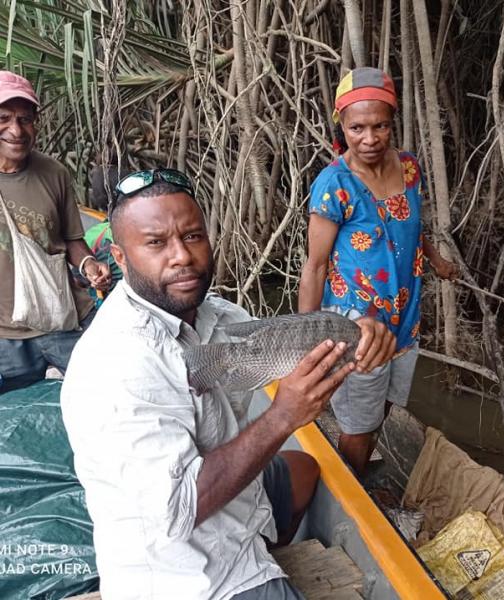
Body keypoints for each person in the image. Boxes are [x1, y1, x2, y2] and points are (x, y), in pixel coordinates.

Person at [61, 168, 395, 600]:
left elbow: (293, 338)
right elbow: (177, 513)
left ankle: (267, 545)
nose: (181, 256)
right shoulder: (116, 364)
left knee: (304, 469)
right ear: (121, 259)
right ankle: (262, 575)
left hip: (228, 500)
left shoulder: (214, 315)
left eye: (193, 236)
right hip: (184, 573)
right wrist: (282, 417)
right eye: (156, 243)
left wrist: (362, 331)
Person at [298, 67, 458, 476]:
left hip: (404, 317)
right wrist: (305, 338)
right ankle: (351, 498)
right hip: (359, 325)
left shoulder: (408, 168)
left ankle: (360, 467)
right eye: (357, 128)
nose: (369, 139)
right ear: (342, 125)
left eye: (380, 126)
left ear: (392, 123)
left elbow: (409, 224)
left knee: (387, 403)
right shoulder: (334, 184)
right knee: (357, 423)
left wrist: (436, 260)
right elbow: (315, 266)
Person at [0, 71, 111, 393]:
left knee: (103, 392)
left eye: (25, 119)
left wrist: (90, 266)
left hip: (63, 318)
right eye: (4, 118)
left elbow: (72, 240)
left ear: (36, 122)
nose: (15, 130)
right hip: (5, 336)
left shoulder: (53, 173)